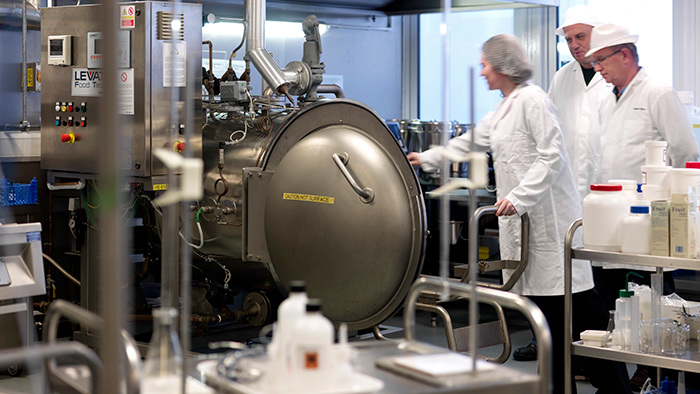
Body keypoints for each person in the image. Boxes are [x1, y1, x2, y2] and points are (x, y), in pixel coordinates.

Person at [408, 34, 631, 394]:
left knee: (582, 325)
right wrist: (427, 158)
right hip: (527, 239)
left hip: (551, 231)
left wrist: (519, 197)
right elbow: (471, 141)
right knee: (550, 332)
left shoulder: (534, 100)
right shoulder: (504, 108)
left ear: (503, 66)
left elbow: (553, 156)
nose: (481, 72)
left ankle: (617, 391)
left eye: (484, 64)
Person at [585, 22, 700, 390]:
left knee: (651, 303)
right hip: (607, 221)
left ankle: (653, 372)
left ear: (625, 54)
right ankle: (619, 376)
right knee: (612, 303)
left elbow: (686, 154)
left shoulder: (657, 92)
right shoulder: (606, 97)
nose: (597, 67)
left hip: (647, 221)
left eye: (602, 59)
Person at [513, 5, 610, 363]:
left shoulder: (613, 78)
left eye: (579, 36)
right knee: (568, 278)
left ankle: (603, 359)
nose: (573, 44)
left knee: (603, 284)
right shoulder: (561, 78)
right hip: (569, 196)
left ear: (599, 34)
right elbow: (550, 138)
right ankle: (558, 348)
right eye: (568, 39)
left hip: (608, 194)